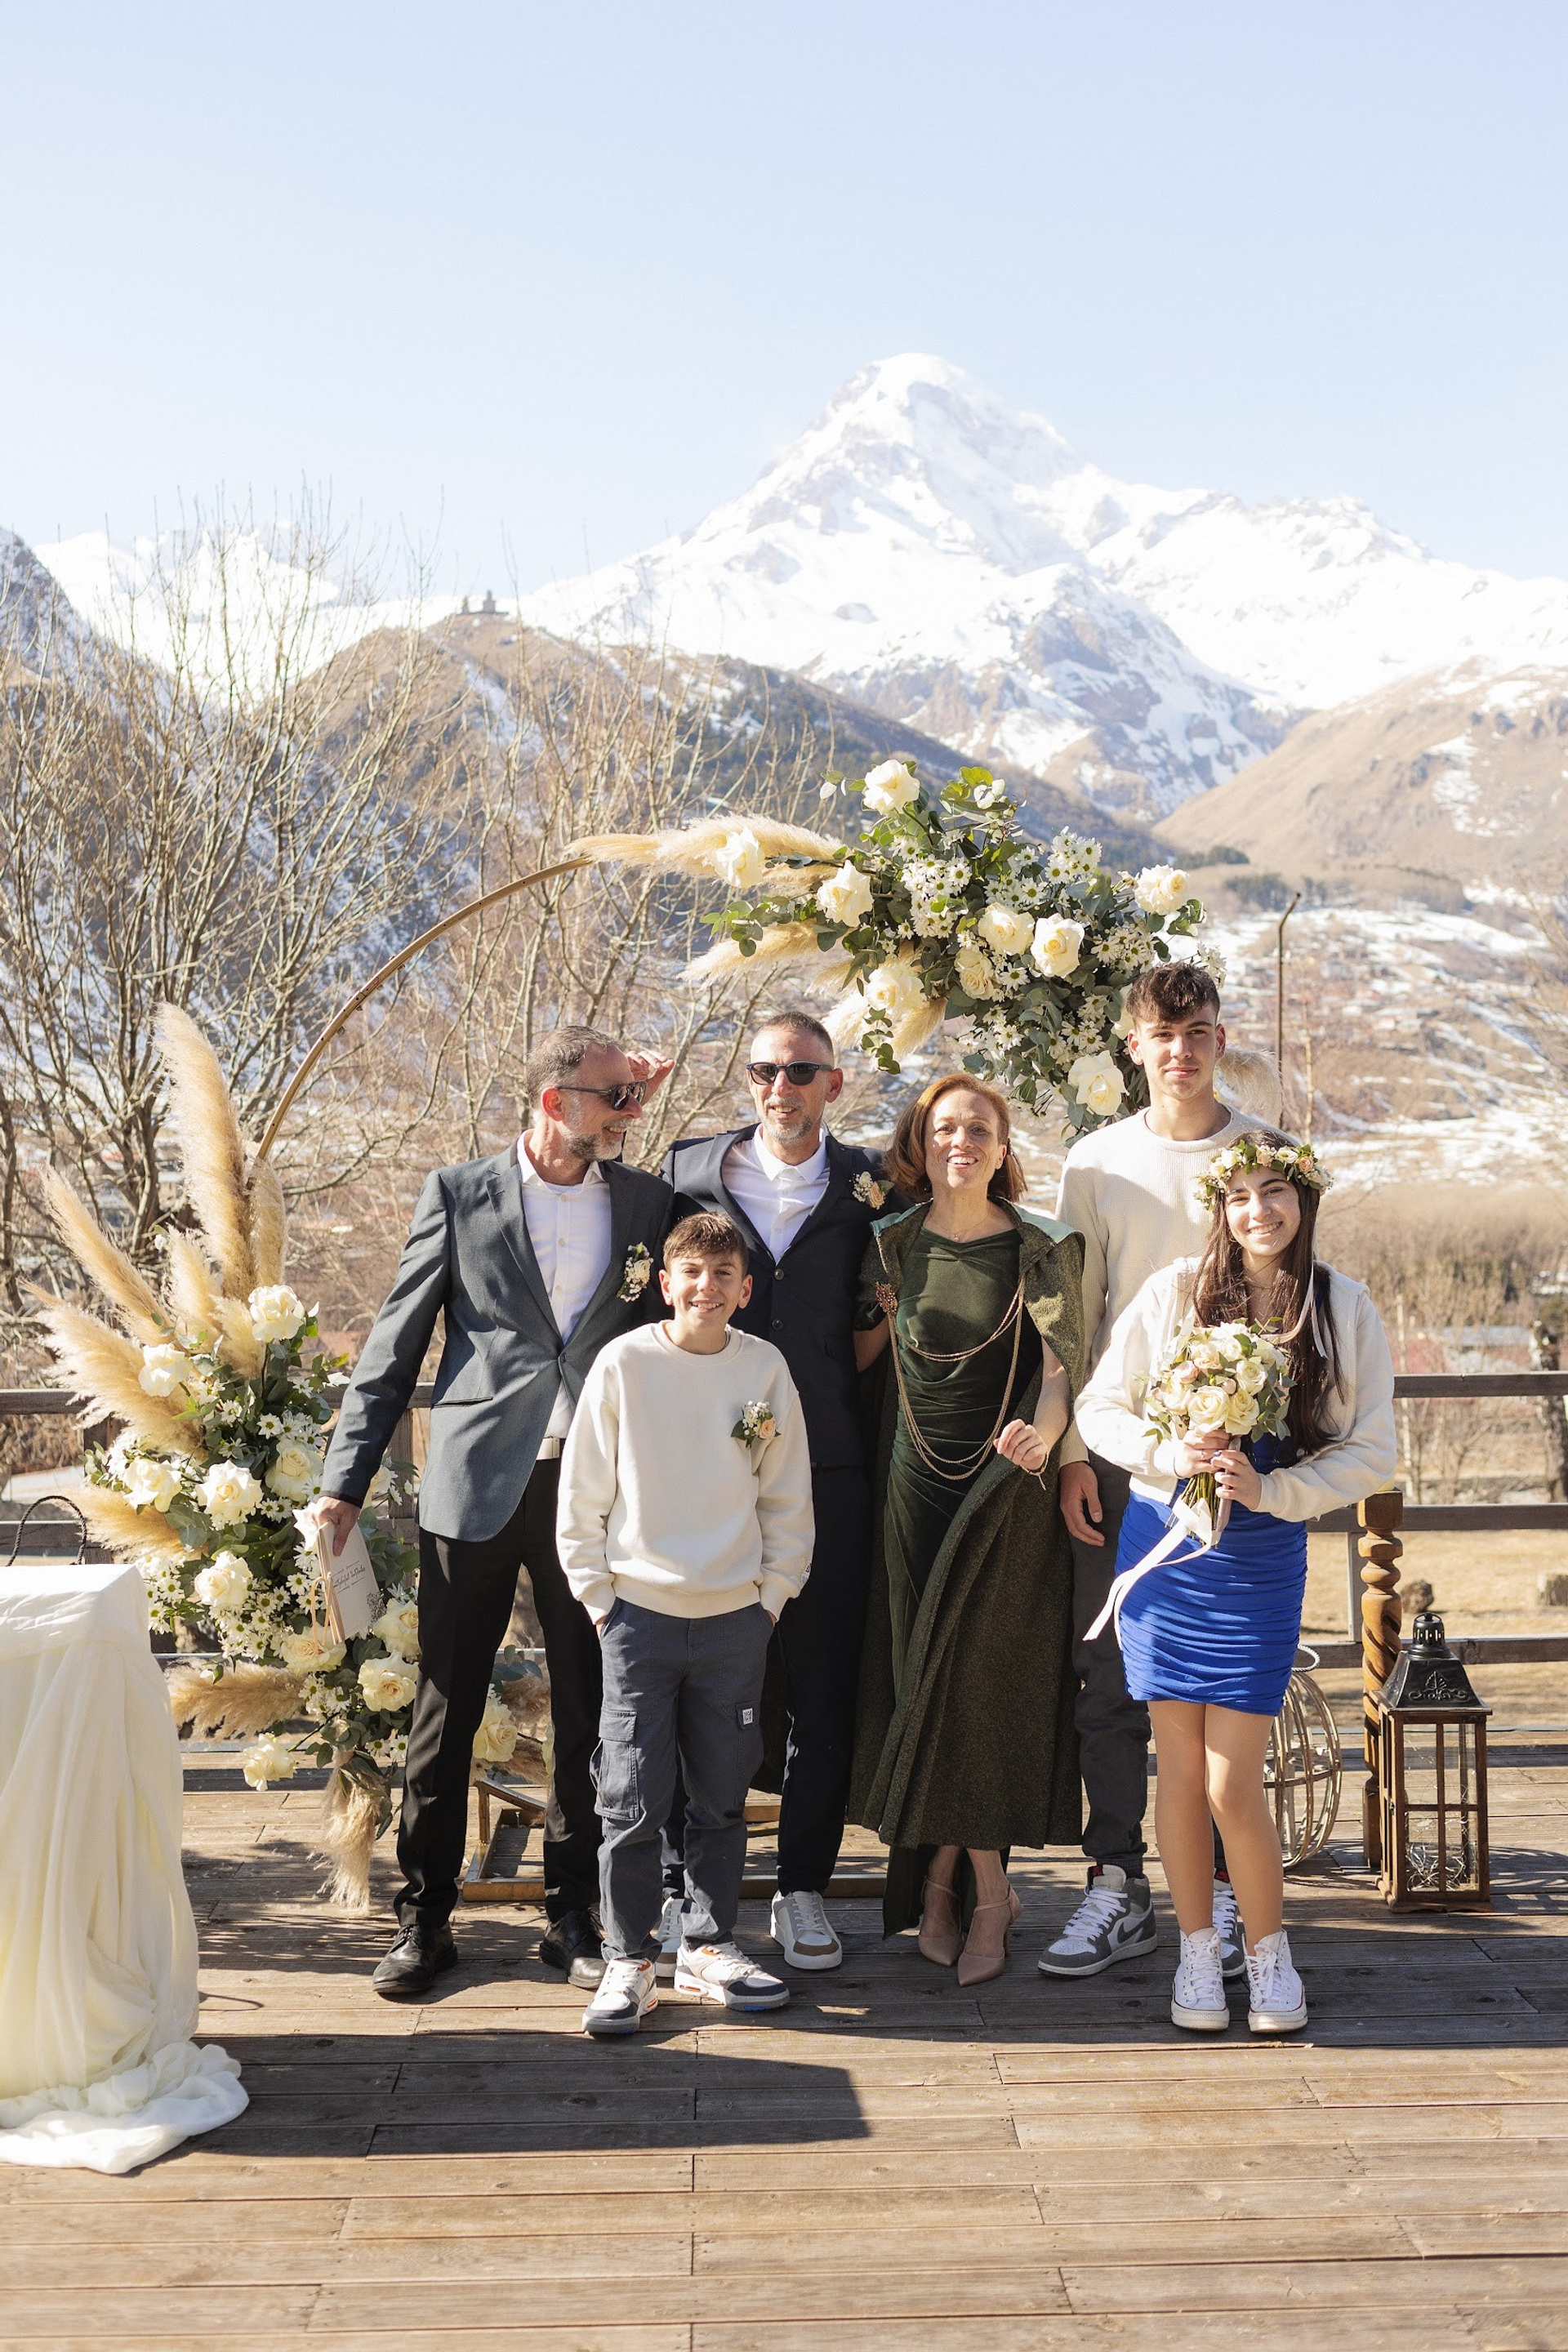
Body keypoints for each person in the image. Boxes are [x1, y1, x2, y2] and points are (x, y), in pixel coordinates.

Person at [316, 1026, 675, 1999]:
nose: (627, 1112)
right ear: (555, 1102)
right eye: (612, 1098)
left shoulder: (646, 1202)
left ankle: (574, 1913)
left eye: (632, 1098)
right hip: (474, 1486)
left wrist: (639, 1088)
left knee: (588, 1709)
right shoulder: (459, 1193)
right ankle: (424, 1921)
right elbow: (392, 1348)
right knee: (447, 1704)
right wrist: (345, 1483)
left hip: (594, 1489)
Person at [1076, 1129, 1396, 2034]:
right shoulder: (1175, 1291)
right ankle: (1195, 1957)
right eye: (1241, 1195)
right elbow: (1102, 1408)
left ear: (1305, 1201)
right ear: (1220, 1207)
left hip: (1258, 1555)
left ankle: (1268, 1953)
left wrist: (1279, 1488)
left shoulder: (1340, 1305)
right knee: (1174, 1772)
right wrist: (1171, 1450)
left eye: (1277, 1192)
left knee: (1231, 1783)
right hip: (1167, 1543)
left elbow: (1374, 1448)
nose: (1260, 1211)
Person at [660, 1008, 892, 1976]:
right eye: (764, 1071)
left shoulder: (876, 1184)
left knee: (822, 1688)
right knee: (700, 1682)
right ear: (744, 1080)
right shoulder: (690, 1172)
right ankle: (680, 1895)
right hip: (707, 1475)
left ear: (834, 1083)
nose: (781, 1087)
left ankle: (802, 1889)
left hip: (829, 1468)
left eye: (801, 1071)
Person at [849, 1076, 1084, 1987]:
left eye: (978, 1128)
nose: (962, 1141)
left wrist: (1049, 1436)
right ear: (921, 1139)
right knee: (922, 1677)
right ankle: (958, 1886)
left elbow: (1065, 1371)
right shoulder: (890, 1245)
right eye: (945, 1127)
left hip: (1005, 1483)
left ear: (1001, 1142)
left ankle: (971, 1890)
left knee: (980, 1681)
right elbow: (855, 1357)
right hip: (911, 1481)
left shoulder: (1040, 1246)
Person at [1043, 960, 1252, 1984]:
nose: (1182, 1051)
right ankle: (1115, 1885)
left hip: (1235, 1464)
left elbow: (1289, 1303)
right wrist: (1078, 1454)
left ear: (1220, 1038)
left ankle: (1214, 1895)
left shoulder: (1263, 1153)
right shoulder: (1096, 1162)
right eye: (1162, 1036)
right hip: (1127, 1459)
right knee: (1114, 1676)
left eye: (1200, 1031)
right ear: (1135, 1047)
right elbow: (1076, 1323)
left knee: (1218, 1684)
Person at [557, 1212, 816, 2036]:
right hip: (640, 1617)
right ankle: (629, 1962)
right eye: (690, 1274)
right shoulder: (626, 1364)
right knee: (631, 1798)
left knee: (721, 1793)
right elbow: (583, 1492)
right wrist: (601, 1600)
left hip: (736, 1616)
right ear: (665, 1286)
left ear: (745, 1289)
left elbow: (786, 1493)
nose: (706, 1288)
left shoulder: (765, 1368)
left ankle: (706, 1945)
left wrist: (773, 1593)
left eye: (722, 1275)